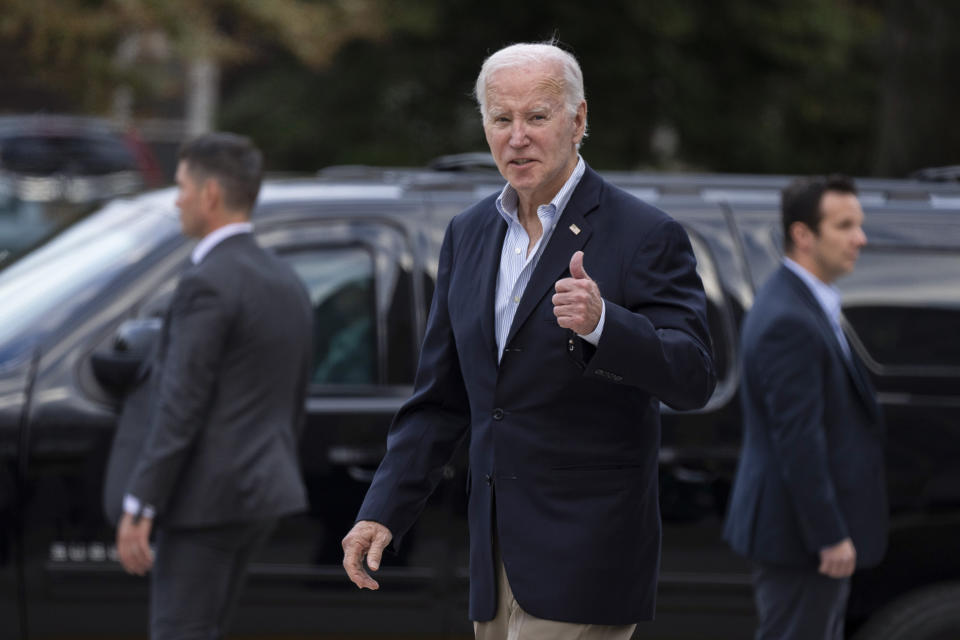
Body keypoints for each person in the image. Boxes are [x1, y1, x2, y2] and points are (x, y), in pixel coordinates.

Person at [342, 42, 717, 639]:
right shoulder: (468, 234)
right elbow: (441, 399)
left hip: (587, 550)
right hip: (493, 553)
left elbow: (693, 375)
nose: (517, 137)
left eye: (536, 117)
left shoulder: (646, 234)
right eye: (501, 119)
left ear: (579, 120)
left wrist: (603, 324)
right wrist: (382, 511)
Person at [115, 132, 313, 640]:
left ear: (209, 194)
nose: (176, 199)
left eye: (181, 186)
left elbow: (181, 404)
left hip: (203, 502)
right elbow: (291, 400)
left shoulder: (208, 280)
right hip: (260, 493)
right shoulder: (285, 278)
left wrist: (141, 502)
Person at [723, 175, 888, 640]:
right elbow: (797, 440)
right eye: (845, 225)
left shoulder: (805, 302)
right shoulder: (787, 319)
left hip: (802, 533)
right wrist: (828, 534)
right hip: (799, 538)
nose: (861, 238)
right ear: (803, 235)